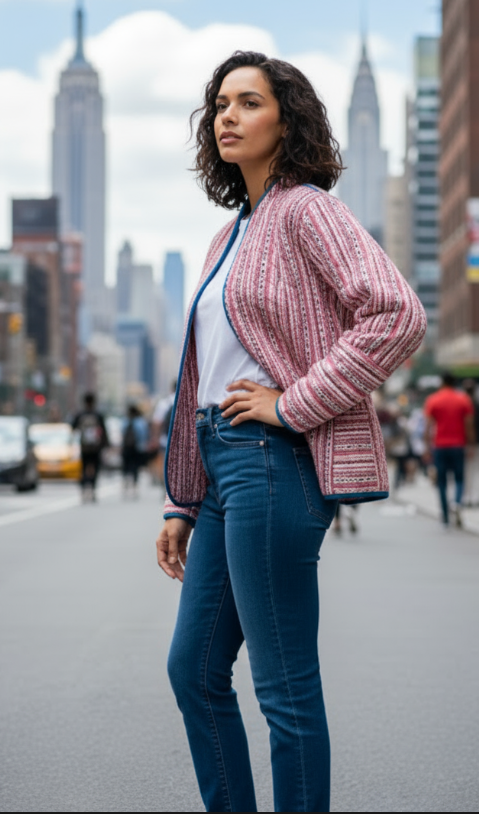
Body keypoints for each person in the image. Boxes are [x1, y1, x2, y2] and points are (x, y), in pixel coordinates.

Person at [155, 50, 426, 813]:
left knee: (283, 686)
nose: (227, 117)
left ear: (287, 120)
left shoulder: (306, 208)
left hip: (273, 464)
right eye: (218, 105)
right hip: (221, 470)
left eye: (248, 102)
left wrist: (294, 402)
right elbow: (205, 376)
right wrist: (181, 502)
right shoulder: (229, 235)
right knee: (195, 672)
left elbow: (396, 315)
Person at [423, 372, 475, 527]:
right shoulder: (464, 399)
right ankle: (457, 503)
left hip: (440, 445)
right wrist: (471, 444)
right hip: (458, 445)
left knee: (442, 481)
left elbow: (428, 427)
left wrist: (426, 447)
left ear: (442, 382)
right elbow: (469, 425)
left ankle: (445, 515)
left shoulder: (433, 400)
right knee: (459, 478)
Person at [71, 393, 108, 502]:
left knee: (83, 468)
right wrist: (105, 445)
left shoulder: (80, 414)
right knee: (95, 468)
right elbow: (104, 432)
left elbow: (73, 427)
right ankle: (92, 488)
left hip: (84, 447)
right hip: (96, 447)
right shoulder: (98, 415)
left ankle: (84, 488)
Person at [462, 379, 479, 508]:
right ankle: (478, 497)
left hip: (464, 442)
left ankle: (467, 498)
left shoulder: (461, 405)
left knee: (467, 471)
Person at [121, 404, 150, 498]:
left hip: (126, 448)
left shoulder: (125, 421)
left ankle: (125, 485)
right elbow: (143, 435)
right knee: (135, 468)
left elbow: (121, 434)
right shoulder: (140, 422)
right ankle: (134, 487)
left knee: (126, 467)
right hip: (137, 448)